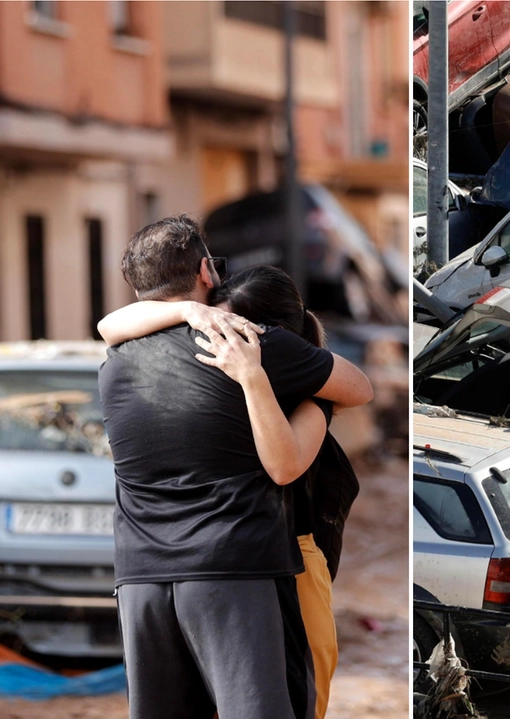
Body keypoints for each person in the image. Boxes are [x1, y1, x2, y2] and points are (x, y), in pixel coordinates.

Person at [97, 215, 373, 719]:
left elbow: (108, 325)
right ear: (207, 271)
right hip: (233, 567)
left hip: (139, 578)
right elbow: (359, 388)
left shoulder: (115, 361)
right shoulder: (251, 341)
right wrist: (315, 400)